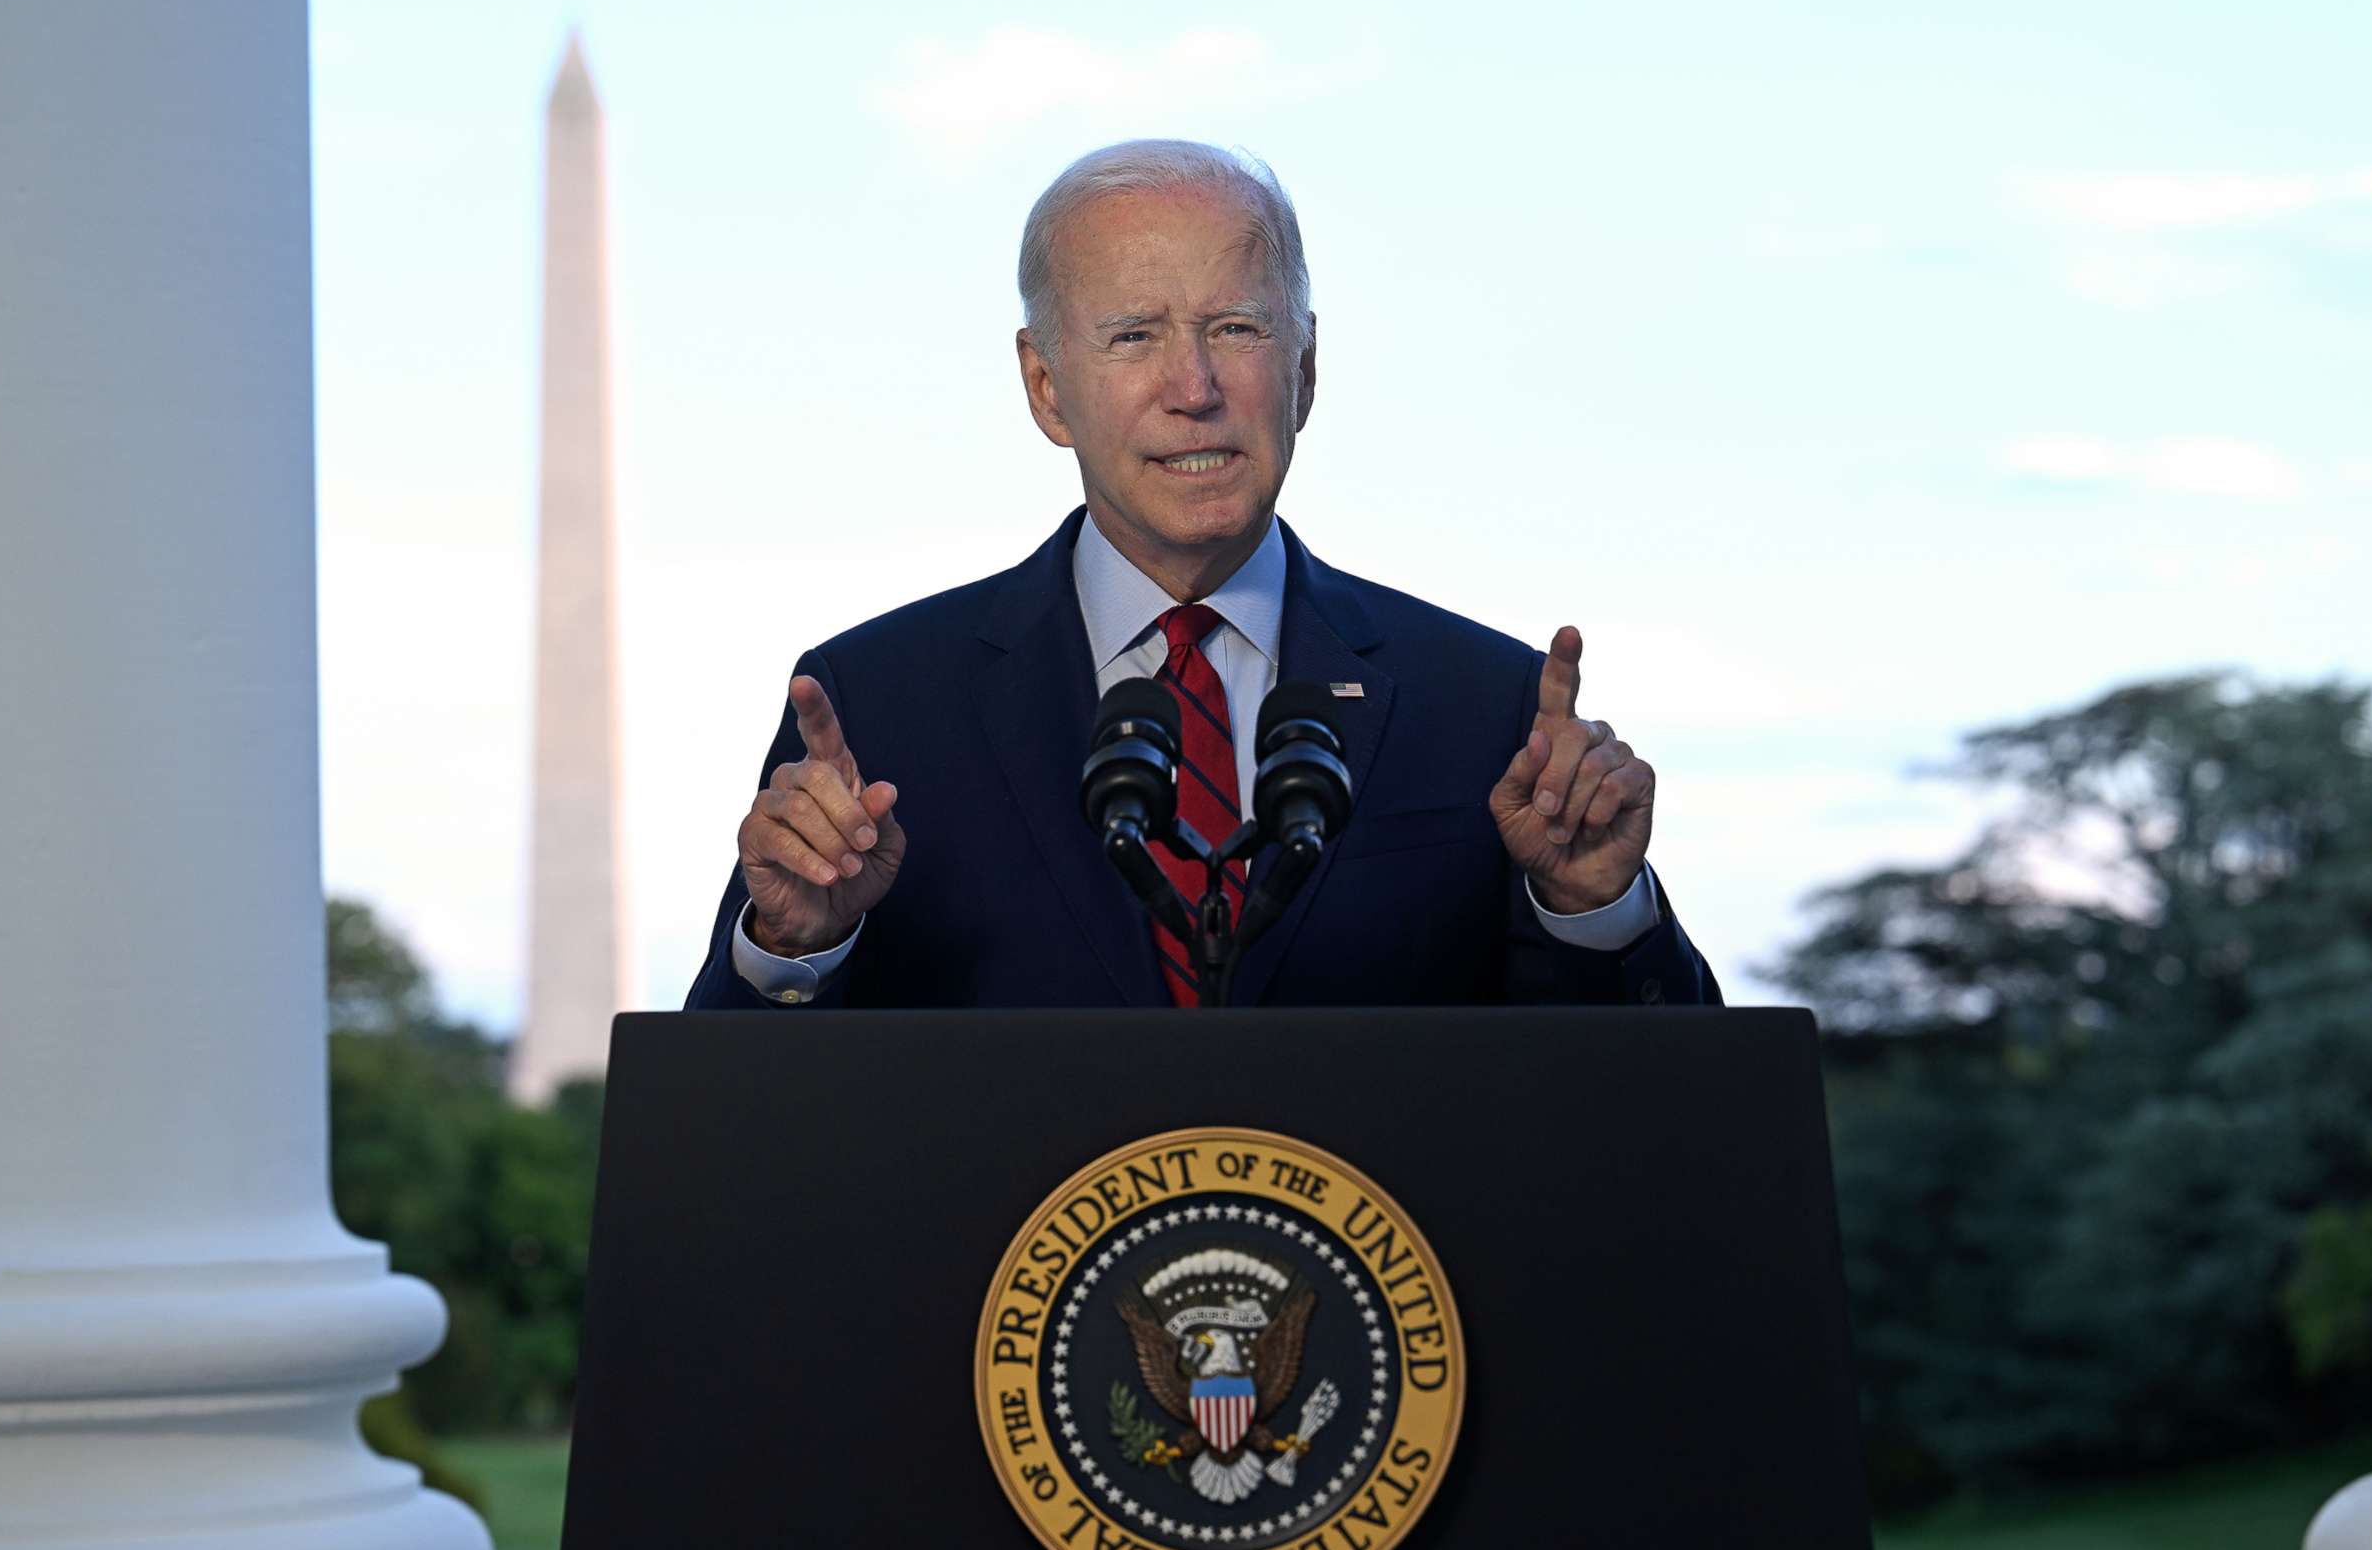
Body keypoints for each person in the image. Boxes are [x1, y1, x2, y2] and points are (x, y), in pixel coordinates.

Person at [684, 140, 1718, 1010]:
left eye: (1237, 328)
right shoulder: (879, 704)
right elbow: (736, 1134)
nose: (1195, 387)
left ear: (1304, 369)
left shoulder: (1486, 702)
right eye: (1135, 336)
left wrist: (1591, 911)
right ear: (1046, 388)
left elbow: (1654, 1133)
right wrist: (794, 947)